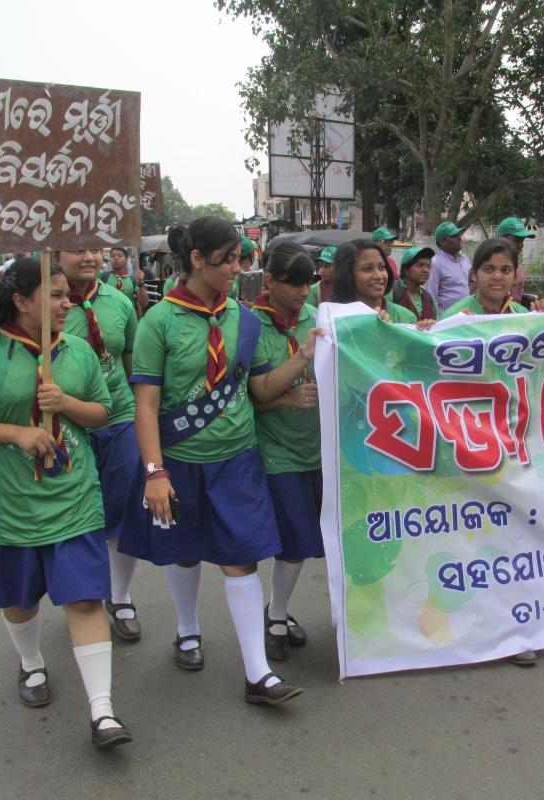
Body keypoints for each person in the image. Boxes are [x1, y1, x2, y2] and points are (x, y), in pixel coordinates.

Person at [121, 216, 320, 705]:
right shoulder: (158, 322)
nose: (237, 268)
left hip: (237, 459)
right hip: (179, 459)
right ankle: (188, 630)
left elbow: (259, 390)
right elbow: (144, 404)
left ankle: (258, 673)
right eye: (227, 259)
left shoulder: (243, 319)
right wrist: (155, 472)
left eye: (239, 258)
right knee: (185, 550)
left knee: (241, 557)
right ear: (196, 259)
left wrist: (301, 359)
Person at [0, 257, 132, 750]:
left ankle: (102, 711)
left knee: (86, 598)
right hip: (10, 501)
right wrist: (17, 433)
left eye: (68, 295)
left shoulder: (80, 352)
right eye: (56, 295)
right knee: (19, 598)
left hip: (74, 497)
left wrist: (66, 405)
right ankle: (31, 665)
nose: (68, 304)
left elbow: (102, 412)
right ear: (21, 301)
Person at [57, 246, 147, 643]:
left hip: (119, 417)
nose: (89, 256)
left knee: (125, 508)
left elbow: (130, 360)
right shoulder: (46, 308)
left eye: (95, 248)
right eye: (77, 249)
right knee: (77, 514)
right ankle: (82, 596)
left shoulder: (120, 302)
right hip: (67, 423)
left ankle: (120, 595)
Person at [250, 243, 324, 662]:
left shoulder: (318, 316)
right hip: (277, 449)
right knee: (294, 541)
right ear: (270, 282)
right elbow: (256, 391)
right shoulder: (251, 324)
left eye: (308, 282)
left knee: (315, 539)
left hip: (319, 448)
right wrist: (301, 362)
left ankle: (277, 611)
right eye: (293, 282)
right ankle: (276, 616)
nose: (302, 291)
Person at [331, 239, 418, 323]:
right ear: (347, 273)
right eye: (368, 269)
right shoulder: (332, 320)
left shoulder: (407, 318)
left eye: (382, 267)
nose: (379, 276)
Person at [441, 239, 530, 318]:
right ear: (475, 274)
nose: (497, 277)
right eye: (489, 269)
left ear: (514, 276)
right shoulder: (453, 318)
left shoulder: (524, 317)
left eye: (505, 270)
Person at [426, 221, 473, 313]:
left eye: (459, 235)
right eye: (454, 236)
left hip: (469, 316)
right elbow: (431, 297)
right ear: (442, 241)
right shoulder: (435, 264)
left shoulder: (465, 260)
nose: (459, 238)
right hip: (448, 320)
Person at [389, 245, 438, 322]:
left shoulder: (429, 298)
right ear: (406, 270)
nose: (426, 270)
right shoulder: (392, 292)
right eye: (420, 265)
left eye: (428, 266)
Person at [496, 217, 536, 305]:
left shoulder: (519, 268)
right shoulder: (485, 269)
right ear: (501, 239)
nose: (521, 245)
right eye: (517, 240)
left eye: (522, 241)